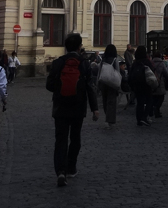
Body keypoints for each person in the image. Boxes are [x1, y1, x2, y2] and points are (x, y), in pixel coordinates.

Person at [46, 33, 99, 187]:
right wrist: (94, 109)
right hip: (78, 107)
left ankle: (61, 172)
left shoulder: (58, 63)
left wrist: (60, 89)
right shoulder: (84, 63)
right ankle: (71, 168)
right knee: (75, 139)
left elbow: (49, 85)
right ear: (79, 46)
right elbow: (90, 87)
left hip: (60, 107)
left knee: (61, 139)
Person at [128, 46, 155, 126]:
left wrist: (131, 85)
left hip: (137, 85)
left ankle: (139, 120)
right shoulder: (147, 61)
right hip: (146, 84)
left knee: (140, 102)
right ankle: (144, 116)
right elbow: (152, 71)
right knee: (149, 100)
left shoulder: (135, 62)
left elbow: (131, 74)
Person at [98, 45, 121, 128]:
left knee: (105, 100)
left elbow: (99, 72)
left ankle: (107, 116)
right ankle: (110, 120)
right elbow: (118, 72)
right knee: (111, 102)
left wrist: (98, 83)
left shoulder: (103, 60)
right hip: (112, 83)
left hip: (103, 82)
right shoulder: (115, 60)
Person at [151, 50, 168, 119]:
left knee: (153, 97)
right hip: (160, 82)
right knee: (161, 97)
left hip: (152, 82)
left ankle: (153, 109)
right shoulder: (162, 63)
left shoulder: (151, 63)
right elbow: (166, 73)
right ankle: (157, 109)